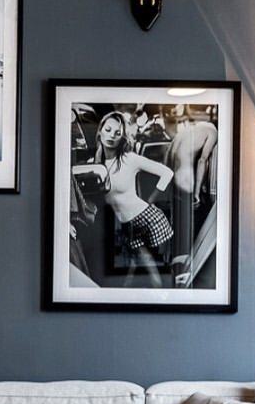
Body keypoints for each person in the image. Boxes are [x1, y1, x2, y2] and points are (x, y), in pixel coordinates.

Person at [73, 110, 174, 287]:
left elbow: (167, 173)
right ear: (100, 132)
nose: (111, 135)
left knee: (149, 265)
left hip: (146, 219)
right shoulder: (93, 164)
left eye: (117, 133)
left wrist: (151, 200)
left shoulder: (130, 159)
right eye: (108, 130)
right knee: (135, 265)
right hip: (125, 225)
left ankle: (162, 294)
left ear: (122, 138)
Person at [168, 104, 218, 286]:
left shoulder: (188, 131)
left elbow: (170, 154)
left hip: (175, 177)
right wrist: (197, 192)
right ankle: (189, 269)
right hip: (186, 177)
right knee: (193, 224)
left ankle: (177, 268)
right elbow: (203, 160)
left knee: (179, 226)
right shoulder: (213, 132)